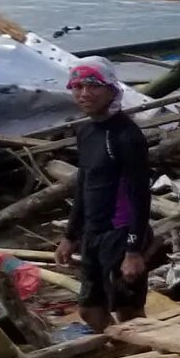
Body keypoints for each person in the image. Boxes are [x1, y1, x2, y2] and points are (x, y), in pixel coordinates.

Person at [61, 59, 157, 333]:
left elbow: (140, 196)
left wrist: (133, 250)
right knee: (90, 310)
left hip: (120, 234)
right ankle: (125, 354)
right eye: (77, 87)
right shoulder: (87, 131)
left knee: (129, 312)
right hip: (93, 234)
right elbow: (83, 185)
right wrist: (70, 235)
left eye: (93, 86)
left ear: (111, 89)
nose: (84, 94)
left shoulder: (126, 136)